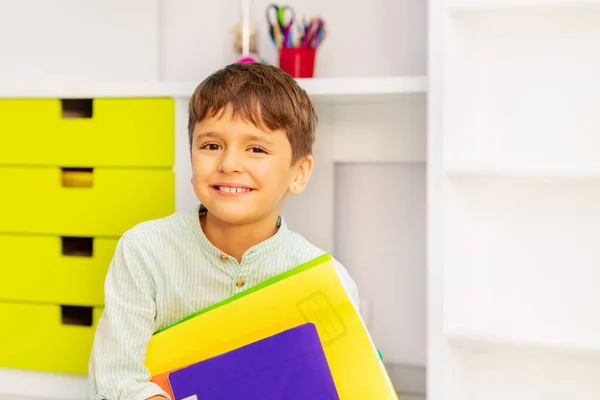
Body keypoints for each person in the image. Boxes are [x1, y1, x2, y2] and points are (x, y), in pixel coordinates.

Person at [86, 62, 360, 400]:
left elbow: (346, 384)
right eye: (211, 146)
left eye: (256, 149)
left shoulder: (326, 279)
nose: (229, 163)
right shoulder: (143, 250)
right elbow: (116, 381)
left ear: (298, 173)